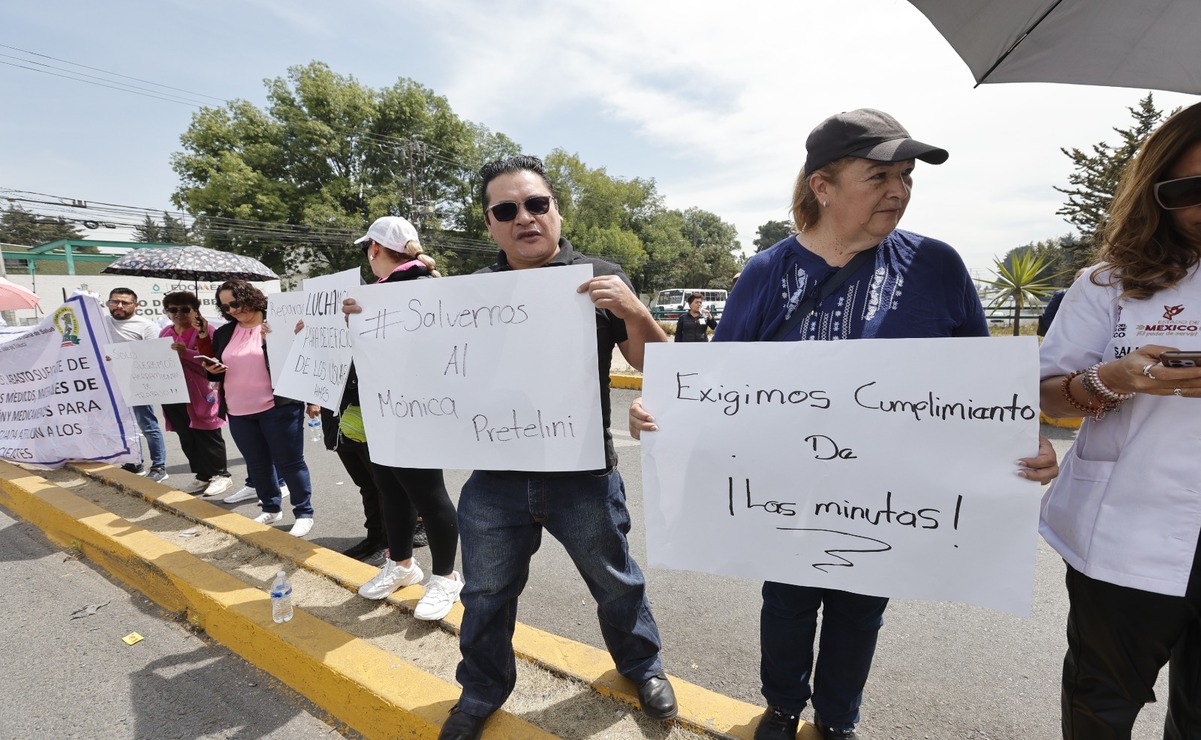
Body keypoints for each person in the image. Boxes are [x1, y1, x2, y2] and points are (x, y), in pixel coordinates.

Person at [630, 109, 1059, 740]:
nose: (899, 190)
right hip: (784, 493)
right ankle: (781, 708)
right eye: (880, 175)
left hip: (890, 500)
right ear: (822, 187)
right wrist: (661, 413)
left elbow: (984, 386)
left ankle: (838, 721)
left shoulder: (937, 267)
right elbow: (714, 384)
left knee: (861, 613)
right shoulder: (766, 274)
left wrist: (1022, 443)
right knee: (787, 604)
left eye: (907, 177)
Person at [342, 157, 677, 739]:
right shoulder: (470, 293)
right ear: (490, 225)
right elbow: (424, 366)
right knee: (486, 593)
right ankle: (480, 692)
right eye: (506, 210)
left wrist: (635, 310)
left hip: (583, 475)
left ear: (556, 210)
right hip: (496, 479)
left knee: (616, 581)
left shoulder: (600, 276)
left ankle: (642, 667)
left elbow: (662, 368)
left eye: (536, 204)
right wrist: (370, 323)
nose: (524, 218)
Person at [1038, 102, 1201, 740]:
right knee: (1100, 706)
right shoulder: (1109, 284)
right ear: (1156, 194)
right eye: (1190, 189)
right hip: (1126, 534)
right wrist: (1111, 379)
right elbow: (1045, 397)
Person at [341, 216, 462, 621]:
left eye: (367, 251)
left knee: (429, 495)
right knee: (391, 489)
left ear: (374, 249)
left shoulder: (414, 288)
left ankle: (446, 578)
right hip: (384, 407)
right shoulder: (380, 293)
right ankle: (403, 565)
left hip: (416, 410)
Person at [202, 280, 314, 537]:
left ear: (250, 297)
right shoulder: (223, 333)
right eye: (226, 307)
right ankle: (271, 507)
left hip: (278, 407)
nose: (232, 310)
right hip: (239, 410)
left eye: (236, 303)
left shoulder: (279, 323)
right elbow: (222, 370)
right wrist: (212, 370)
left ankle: (304, 512)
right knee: (258, 463)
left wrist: (270, 342)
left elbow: (299, 359)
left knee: (291, 463)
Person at [158, 291, 232, 497]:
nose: (178, 313)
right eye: (173, 309)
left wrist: (186, 353)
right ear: (166, 312)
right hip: (173, 392)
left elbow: (213, 361)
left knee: (208, 433)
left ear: (195, 311)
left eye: (184, 309)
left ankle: (220, 475)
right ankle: (202, 475)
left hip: (200, 391)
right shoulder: (165, 332)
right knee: (186, 435)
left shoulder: (206, 330)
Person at [104, 287, 169, 483]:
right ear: (108, 303)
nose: (119, 306)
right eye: (115, 301)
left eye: (125, 302)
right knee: (123, 424)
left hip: (137, 381)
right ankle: (134, 462)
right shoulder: (101, 323)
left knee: (147, 424)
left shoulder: (146, 326)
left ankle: (159, 466)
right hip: (109, 383)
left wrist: (118, 356)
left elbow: (154, 354)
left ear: (136, 305)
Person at [1037, 268, 1088, 337]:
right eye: (1079, 276)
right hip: (1062, 338)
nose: (1080, 279)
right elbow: (1048, 317)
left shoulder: (1097, 298)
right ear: (1074, 278)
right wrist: (1059, 332)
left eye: (1084, 276)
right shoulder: (1061, 295)